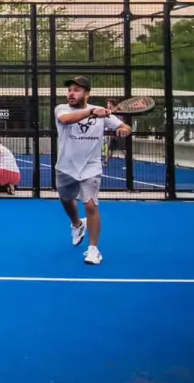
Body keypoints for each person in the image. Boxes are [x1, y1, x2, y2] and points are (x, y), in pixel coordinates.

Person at [54, 76, 131, 266]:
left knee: (90, 205)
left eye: (77, 90)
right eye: (70, 90)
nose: (71, 93)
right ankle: (77, 224)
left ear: (87, 93)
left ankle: (94, 249)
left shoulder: (102, 114)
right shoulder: (61, 109)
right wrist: (92, 113)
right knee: (66, 199)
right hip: (65, 166)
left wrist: (123, 129)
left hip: (91, 166)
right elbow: (66, 120)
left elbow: (124, 126)